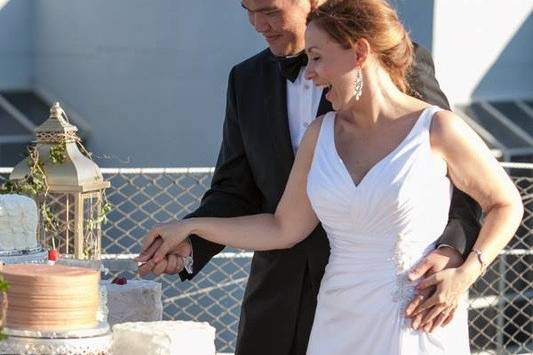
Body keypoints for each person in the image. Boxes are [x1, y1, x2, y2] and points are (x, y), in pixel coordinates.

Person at [135, 0, 490, 353]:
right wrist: (192, 237)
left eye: (270, 10)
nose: (258, 24)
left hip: (403, 305)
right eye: (248, 10)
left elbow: (464, 175)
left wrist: (455, 252)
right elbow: (235, 190)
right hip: (278, 302)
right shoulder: (245, 80)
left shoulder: (390, 59)